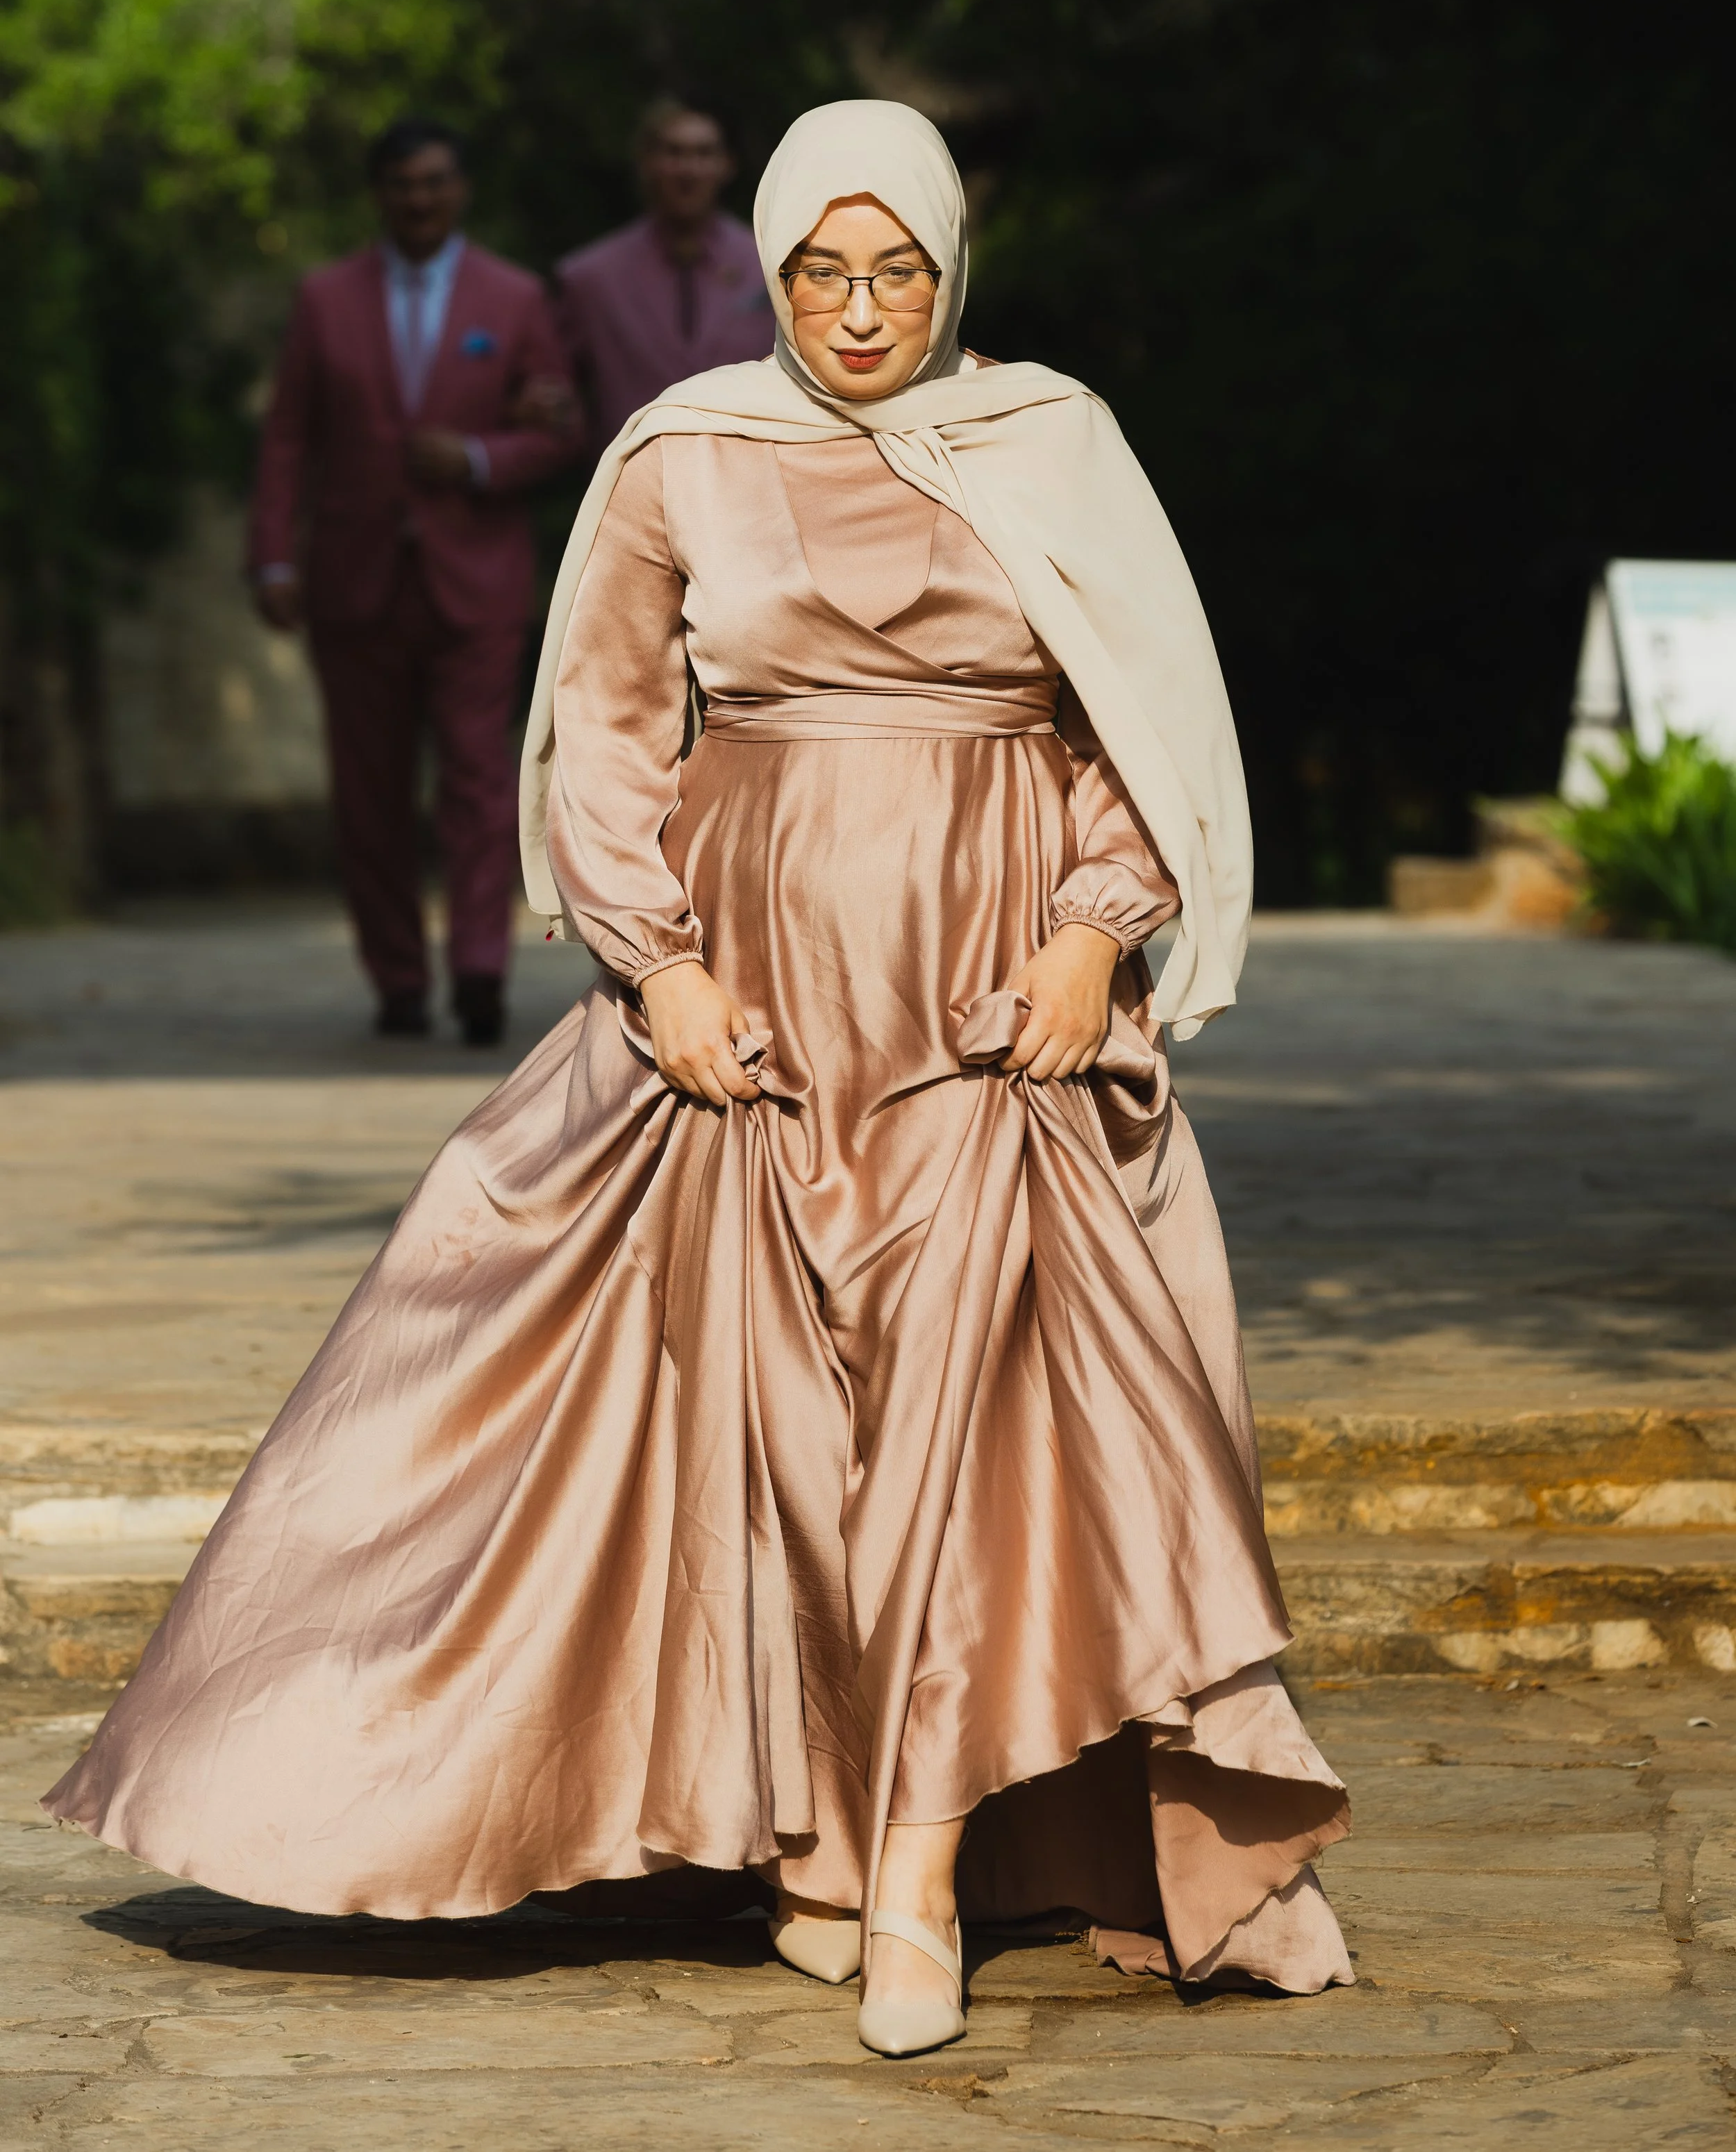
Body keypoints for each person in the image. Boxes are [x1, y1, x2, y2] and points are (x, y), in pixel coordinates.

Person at [49, 101, 1352, 2058]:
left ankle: (911, 1863)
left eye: (894, 268)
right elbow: (603, 720)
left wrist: (1093, 931)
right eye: (819, 270)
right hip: (749, 995)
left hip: (984, 988)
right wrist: (653, 967)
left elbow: (1131, 712)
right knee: (758, 1427)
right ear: (767, 263)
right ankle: (812, 1848)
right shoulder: (684, 447)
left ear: (950, 261)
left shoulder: (1047, 439)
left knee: (953, 1417)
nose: (855, 308)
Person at [249, 118, 577, 1045]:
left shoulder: (513, 296)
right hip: (353, 582)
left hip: (474, 581)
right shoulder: (324, 298)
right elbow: (287, 437)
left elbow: (558, 427)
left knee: (478, 784)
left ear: (459, 188)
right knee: (371, 793)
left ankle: (479, 968)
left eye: (435, 181)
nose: (419, 198)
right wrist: (271, 554)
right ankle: (397, 977)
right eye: (401, 184)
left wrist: (475, 456)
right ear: (379, 194)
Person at [555, 97, 776, 451]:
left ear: (727, 165)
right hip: (629, 486)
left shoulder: (770, 265)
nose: (688, 170)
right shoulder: (591, 279)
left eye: (703, 154)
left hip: (753, 482)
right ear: (647, 164)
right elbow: (559, 399)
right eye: (674, 153)